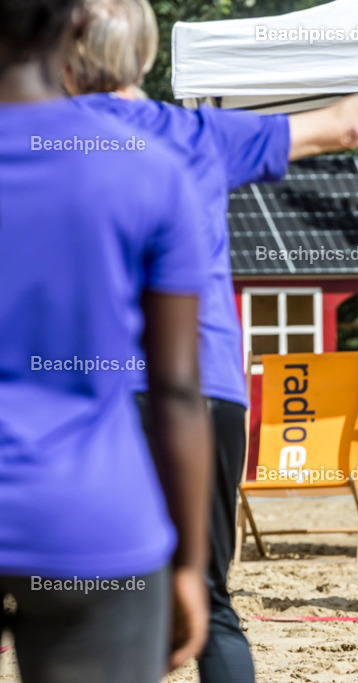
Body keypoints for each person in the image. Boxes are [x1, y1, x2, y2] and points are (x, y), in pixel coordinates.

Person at [63, 1, 358, 679]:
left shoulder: (33, 138)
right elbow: (349, 124)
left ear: (64, 60)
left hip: (92, 399)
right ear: (146, 58)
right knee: (211, 601)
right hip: (202, 392)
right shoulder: (197, 134)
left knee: (94, 600)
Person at [0, 0, 212, 679]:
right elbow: (178, 389)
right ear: (74, 27)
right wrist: (190, 562)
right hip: (95, 523)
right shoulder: (147, 171)